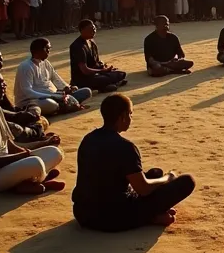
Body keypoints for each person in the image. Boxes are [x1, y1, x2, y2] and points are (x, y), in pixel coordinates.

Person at [72, 94, 197, 231]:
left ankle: (153, 213)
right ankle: (151, 216)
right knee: (187, 181)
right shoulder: (125, 147)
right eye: (130, 114)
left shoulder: (88, 139)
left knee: (155, 173)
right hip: (112, 218)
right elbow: (143, 189)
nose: (131, 118)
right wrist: (168, 178)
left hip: (83, 213)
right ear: (123, 116)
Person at [0, 68, 66, 194]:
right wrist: (22, 157)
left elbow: (7, 142)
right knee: (35, 163)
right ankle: (34, 180)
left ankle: (30, 181)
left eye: (3, 82)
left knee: (54, 152)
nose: (4, 85)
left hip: (3, 165)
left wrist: (25, 153)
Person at [14, 38, 92, 115]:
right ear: (37, 51)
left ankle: (63, 105)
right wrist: (53, 96)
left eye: (49, 49)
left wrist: (66, 87)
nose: (49, 51)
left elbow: (55, 78)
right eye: (47, 49)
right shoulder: (26, 66)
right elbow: (28, 92)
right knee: (50, 104)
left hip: (55, 95)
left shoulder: (45, 62)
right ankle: (63, 106)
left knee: (86, 91)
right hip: (32, 101)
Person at [69, 20, 127, 93]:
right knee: (106, 78)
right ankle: (103, 85)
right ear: (82, 30)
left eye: (94, 28)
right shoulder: (77, 46)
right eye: (90, 29)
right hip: (82, 79)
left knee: (121, 74)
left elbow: (95, 62)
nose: (93, 31)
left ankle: (106, 84)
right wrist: (103, 71)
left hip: (95, 74)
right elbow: (85, 70)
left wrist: (103, 67)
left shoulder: (91, 42)